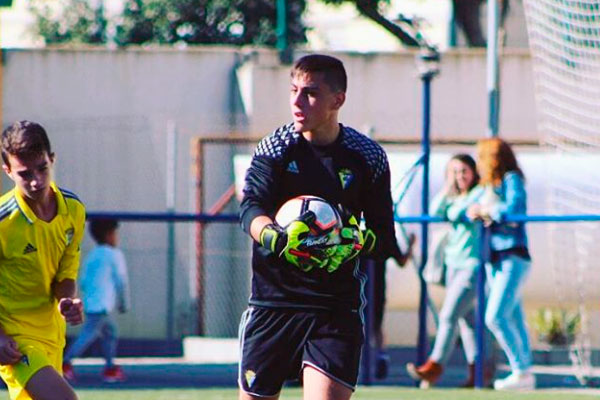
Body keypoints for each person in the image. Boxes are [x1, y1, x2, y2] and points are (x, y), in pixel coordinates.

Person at [238, 54, 411, 400]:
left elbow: (384, 236)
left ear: (338, 100)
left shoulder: (367, 157)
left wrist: (350, 243)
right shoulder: (275, 148)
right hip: (274, 305)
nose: (298, 102)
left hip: (334, 309)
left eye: (311, 93)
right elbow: (250, 209)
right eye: (294, 91)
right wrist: (275, 237)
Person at [0, 120, 85, 400]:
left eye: (42, 168)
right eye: (25, 174)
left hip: (51, 334)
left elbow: (66, 273)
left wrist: (67, 301)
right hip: (14, 337)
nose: (36, 180)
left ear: (52, 158)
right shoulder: (3, 221)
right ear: (7, 170)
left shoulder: (73, 209)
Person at [406, 154, 488, 388]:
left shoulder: (479, 193)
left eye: (464, 171)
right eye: (455, 172)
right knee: (467, 323)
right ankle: (478, 372)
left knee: (449, 315)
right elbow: (436, 210)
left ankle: (435, 366)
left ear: (473, 172)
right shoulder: (456, 196)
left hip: (472, 265)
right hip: (453, 264)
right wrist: (448, 186)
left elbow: (458, 212)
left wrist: (457, 210)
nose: (461, 176)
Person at [467, 138, 534, 391]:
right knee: (513, 317)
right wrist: (477, 210)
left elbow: (514, 211)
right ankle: (524, 373)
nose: (479, 163)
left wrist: (488, 211)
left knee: (495, 316)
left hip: (512, 255)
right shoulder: (489, 186)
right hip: (495, 258)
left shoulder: (511, 179)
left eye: (482, 157)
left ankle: (521, 370)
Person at [62, 218, 130, 383]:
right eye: (115, 234)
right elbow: (121, 280)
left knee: (109, 334)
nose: (116, 237)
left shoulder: (92, 255)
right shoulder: (115, 255)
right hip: (103, 305)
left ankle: (109, 367)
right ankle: (64, 363)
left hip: (92, 303)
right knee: (88, 335)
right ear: (108, 235)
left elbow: (83, 281)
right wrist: (124, 303)